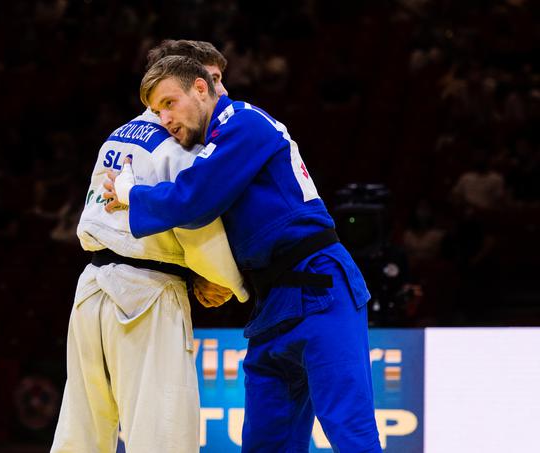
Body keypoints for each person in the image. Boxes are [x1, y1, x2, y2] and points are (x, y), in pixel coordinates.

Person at [106, 55, 381, 452]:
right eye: (156, 110)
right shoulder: (211, 147)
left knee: (351, 433)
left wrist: (131, 192)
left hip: (320, 287)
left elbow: (194, 200)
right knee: (265, 445)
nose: (164, 118)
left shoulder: (245, 123)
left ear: (201, 89)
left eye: (169, 103)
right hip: (271, 303)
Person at [50, 41, 249, 453]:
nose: (220, 92)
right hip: (145, 294)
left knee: (82, 432)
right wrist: (228, 282)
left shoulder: (119, 134)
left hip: (90, 291)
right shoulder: (179, 143)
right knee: (162, 433)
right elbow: (196, 229)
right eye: (213, 80)